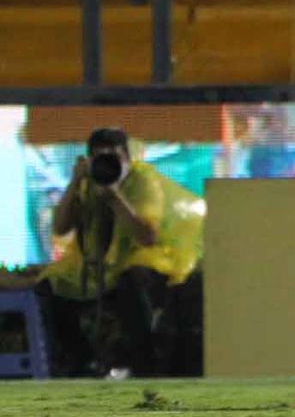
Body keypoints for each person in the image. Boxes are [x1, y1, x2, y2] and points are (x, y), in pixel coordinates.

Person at [23, 128, 204, 377]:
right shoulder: (87, 183)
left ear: (128, 159)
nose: (107, 166)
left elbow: (147, 237)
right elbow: (61, 227)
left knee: (132, 283)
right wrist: (75, 182)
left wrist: (115, 197)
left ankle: (144, 362)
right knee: (48, 287)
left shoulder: (143, 181)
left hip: (143, 262)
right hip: (96, 267)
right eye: (100, 159)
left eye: (114, 159)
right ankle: (79, 361)